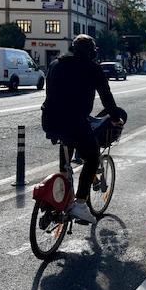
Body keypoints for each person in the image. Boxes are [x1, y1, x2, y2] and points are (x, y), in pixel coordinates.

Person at [41, 35, 124, 224]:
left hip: (50, 120)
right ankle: (79, 202)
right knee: (93, 157)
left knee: (66, 153)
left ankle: (59, 196)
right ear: (92, 52)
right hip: (75, 121)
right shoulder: (93, 68)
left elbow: (50, 93)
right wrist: (115, 117)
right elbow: (106, 96)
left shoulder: (56, 64)